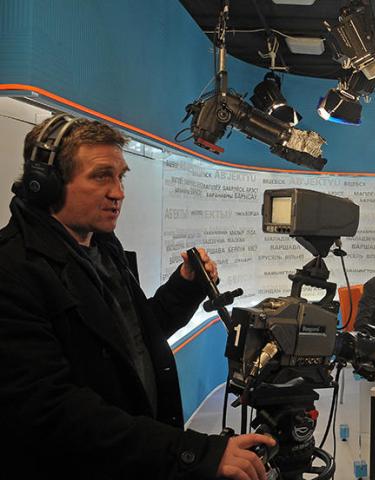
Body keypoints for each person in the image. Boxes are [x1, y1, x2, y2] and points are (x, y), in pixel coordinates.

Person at [0, 115, 274, 480]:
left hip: (136, 460)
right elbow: (52, 409)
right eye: (101, 176)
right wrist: (192, 452)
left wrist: (185, 286)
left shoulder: (104, 249)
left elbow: (135, 338)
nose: (118, 192)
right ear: (45, 185)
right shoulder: (12, 269)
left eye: (120, 176)